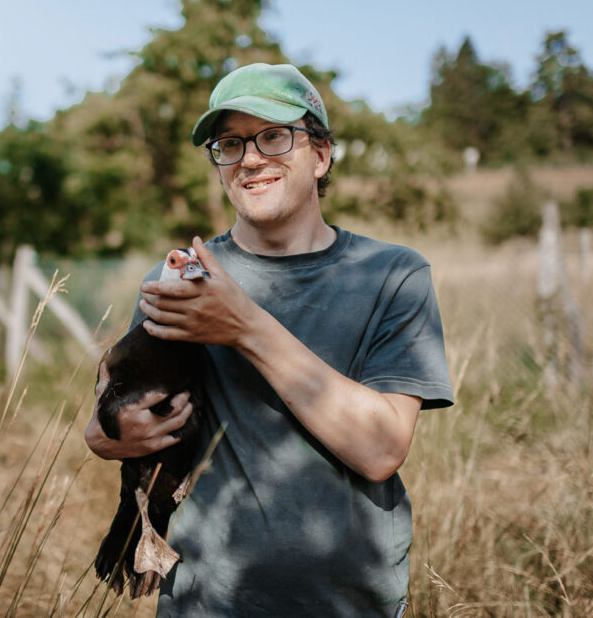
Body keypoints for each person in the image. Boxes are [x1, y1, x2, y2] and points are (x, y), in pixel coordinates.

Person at [85, 62, 454, 617]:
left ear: (322, 154)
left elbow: (381, 450)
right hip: (205, 603)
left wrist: (244, 326)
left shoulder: (391, 276)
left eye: (274, 136)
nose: (250, 158)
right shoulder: (185, 278)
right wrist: (109, 432)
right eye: (229, 143)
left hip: (350, 605)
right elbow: (110, 423)